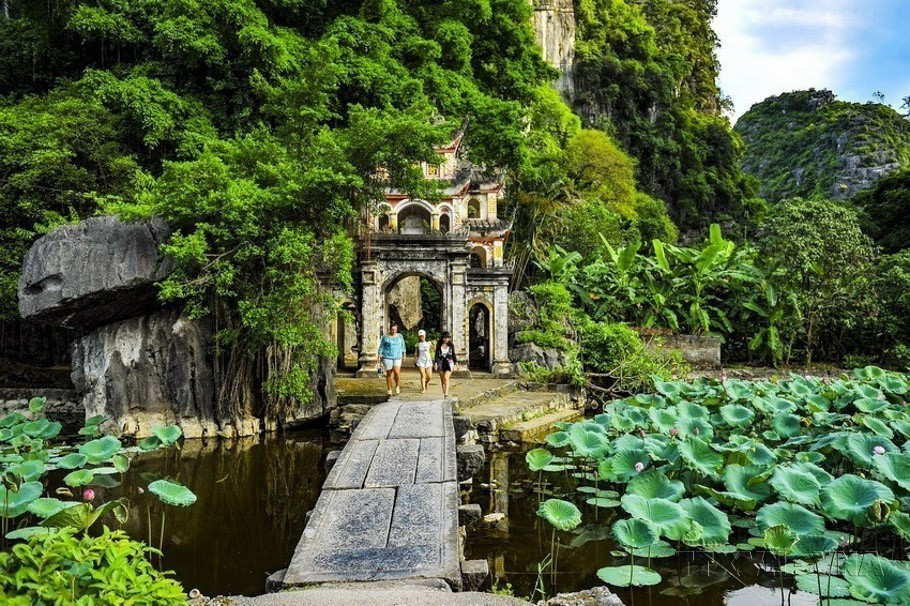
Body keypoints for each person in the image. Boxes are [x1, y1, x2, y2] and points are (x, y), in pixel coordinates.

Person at [377, 323, 406, 396]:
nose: (394, 331)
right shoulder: (385, 337)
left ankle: (397, 386)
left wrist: (404, 355)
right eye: (392, 330)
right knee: (389, 373)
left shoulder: (400, 336)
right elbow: (381, 347)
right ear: (390, 329)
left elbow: (403, 346)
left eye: (395, 330)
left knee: (396, 372)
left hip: (397, 356)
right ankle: (389, 389)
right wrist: (379, 355)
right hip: (387, 356)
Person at [434, 331, 458, 398]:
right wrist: (435, 363)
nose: (446, 339)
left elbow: (453, 354)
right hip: (441, 362)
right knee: (442, 379)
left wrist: (456, 363)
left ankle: (446, 394)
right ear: (442, 338)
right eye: (445, 338)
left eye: (447, 338)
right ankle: (444, 392)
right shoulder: (439, 345)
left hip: (449, 363)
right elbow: (436, 355)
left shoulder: (451, 345)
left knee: (446, 377)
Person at [415, 329, 433, 393]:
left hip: (428, 361)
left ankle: (426, 382)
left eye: (422, 336)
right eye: (420, 336)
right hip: (421, 361)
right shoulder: (417, 344)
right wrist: (415, 360)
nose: (421, 337)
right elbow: (416, 353)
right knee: (423, 375)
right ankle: (423, 388)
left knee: (429, 377)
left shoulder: (429, 343)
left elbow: (433, 350)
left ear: (425, 336)